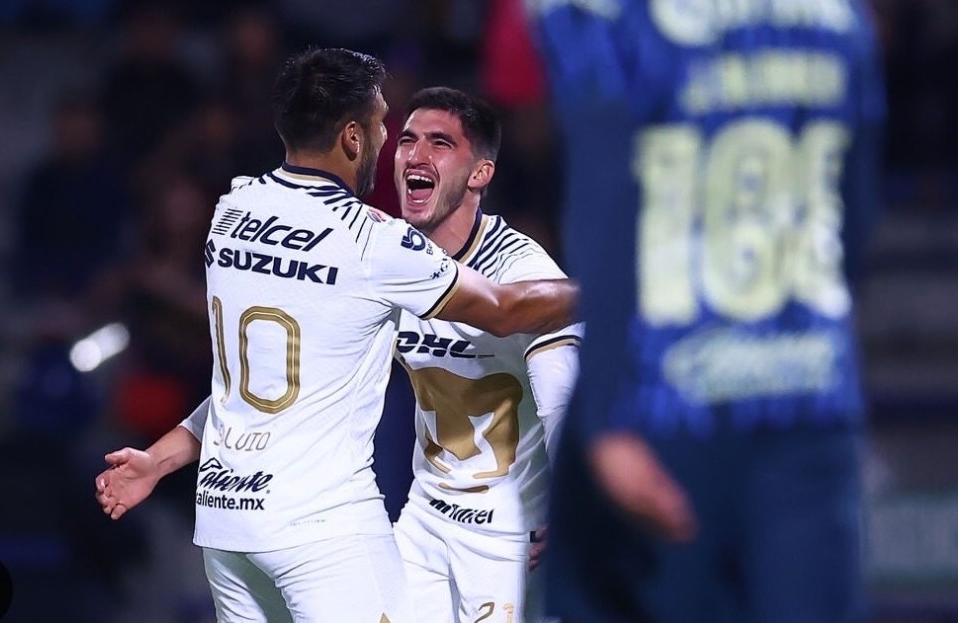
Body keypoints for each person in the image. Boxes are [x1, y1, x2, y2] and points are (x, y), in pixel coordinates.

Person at [95, 47, 579, 623]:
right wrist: (615, 292)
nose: (390, 140)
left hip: (228, 524)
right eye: (385, 125)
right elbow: (503, 309)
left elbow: (249, 386)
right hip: (322, 533)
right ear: (353, 137)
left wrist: (159, 459)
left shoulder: (233, 212)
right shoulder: (374, 245)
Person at [528, 1, 884, 622]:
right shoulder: (840, 16)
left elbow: (606, 202)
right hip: (812, 396)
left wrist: (607, 419)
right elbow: (856, 216)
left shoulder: (614, 16)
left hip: (661, 404)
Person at [390, 87, 580, 623]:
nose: (416, 156)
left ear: (480, 173)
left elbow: (562, 401)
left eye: (439, 143)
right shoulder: (388, 259)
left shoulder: (523, 272)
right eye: (407, 140)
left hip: (507, 534)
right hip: (424, 517)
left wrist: (573, 510)